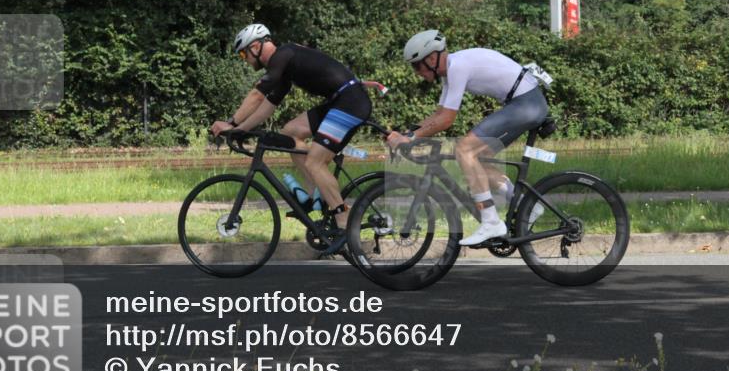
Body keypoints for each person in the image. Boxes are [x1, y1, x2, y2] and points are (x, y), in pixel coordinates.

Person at [386, 30, 550, 245]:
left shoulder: (457, 67)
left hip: (526, 104)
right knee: (477, 159)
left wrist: (411, 138)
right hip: (523, 103)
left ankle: (491, 221)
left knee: (464, 150)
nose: (416, 72)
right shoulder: (450, 71)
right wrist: (408, 134)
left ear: (432, 58)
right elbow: (439, 114)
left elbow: (446, 120)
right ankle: (528, 205)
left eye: (417, 65)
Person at [210, 24, 372, 239]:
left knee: (315, 162)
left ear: (256, 47)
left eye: (243, 54)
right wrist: (241, 130)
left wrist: (231, 122)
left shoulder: (282, 55)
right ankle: (316, 195)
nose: (244, 59)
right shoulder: (284, 69)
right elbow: (267, 106)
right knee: (290, 133)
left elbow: (257, 95)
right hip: (340, 101)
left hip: (349, 102)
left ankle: (343, 220)